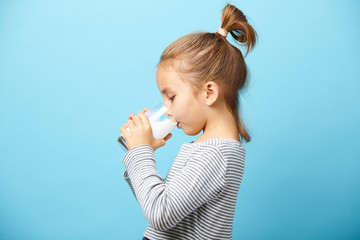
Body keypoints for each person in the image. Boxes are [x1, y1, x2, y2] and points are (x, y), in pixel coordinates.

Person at [119, 3, 257, 240]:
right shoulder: (211, 148)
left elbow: (160, 215)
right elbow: (162, 206)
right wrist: (138, 158)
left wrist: (140, 152)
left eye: (171, 97)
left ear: (208, 93)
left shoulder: (215, 155)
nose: (166, 109)